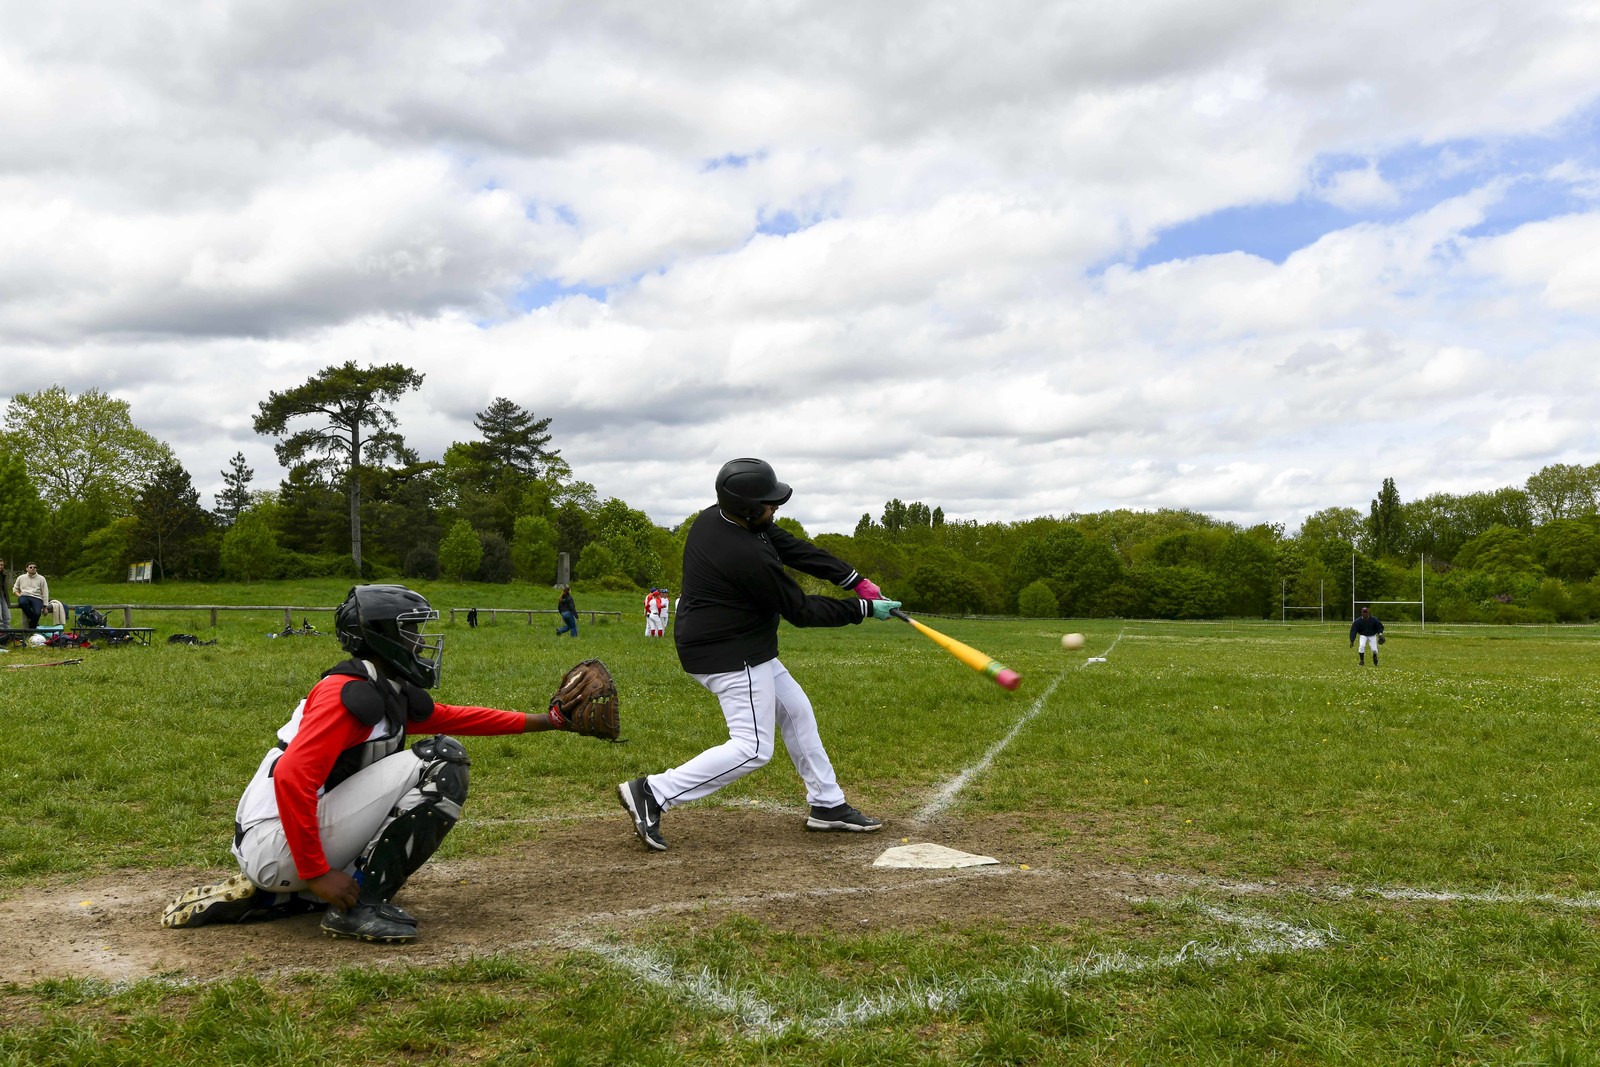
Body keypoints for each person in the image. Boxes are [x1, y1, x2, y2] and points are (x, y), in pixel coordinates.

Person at [162, 584, 577, 944]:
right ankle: (354, 905)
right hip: (279, 842)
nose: (419, 641)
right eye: (410, 630)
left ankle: (279, 895)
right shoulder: (347, 695)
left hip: (279, 839)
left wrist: (551, 721)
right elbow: (292, 777)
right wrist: (318, 873)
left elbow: (461, 716)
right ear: (380, 635)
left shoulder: (376, 687)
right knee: (441, 760)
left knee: (434, 753)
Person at [618, 458, 901, 851]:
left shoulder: (719, 518)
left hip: (737, 642)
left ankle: (827, 804)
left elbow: (790, 546)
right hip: (729, 652)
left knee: (796, 711)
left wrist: (852, 579)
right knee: (752, 747)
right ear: (749, 509)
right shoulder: (744, 556)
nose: (775, 508)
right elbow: (800, 610)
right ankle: (653, 793)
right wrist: (863, 611)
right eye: (769, 503)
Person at [11, 563, 48, 630]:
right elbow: (15, 589)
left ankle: (31, 629)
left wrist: (45, 606)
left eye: (35, 567)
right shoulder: (21, 577)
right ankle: (33, 626)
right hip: (24, 596)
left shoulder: (41, 578)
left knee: (37, 613)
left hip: (37, 597)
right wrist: (19, 596)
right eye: (30, 567)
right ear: (26, 569)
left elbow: (45, 592)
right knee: (22, 602)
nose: (33, 568)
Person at [0, 557, 11, 629]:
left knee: (7, 617)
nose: (0, 566)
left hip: (2, 596)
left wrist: (8, 600)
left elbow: (5, 589)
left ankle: (9, 635)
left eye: (2, 565)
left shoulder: (3, 575)